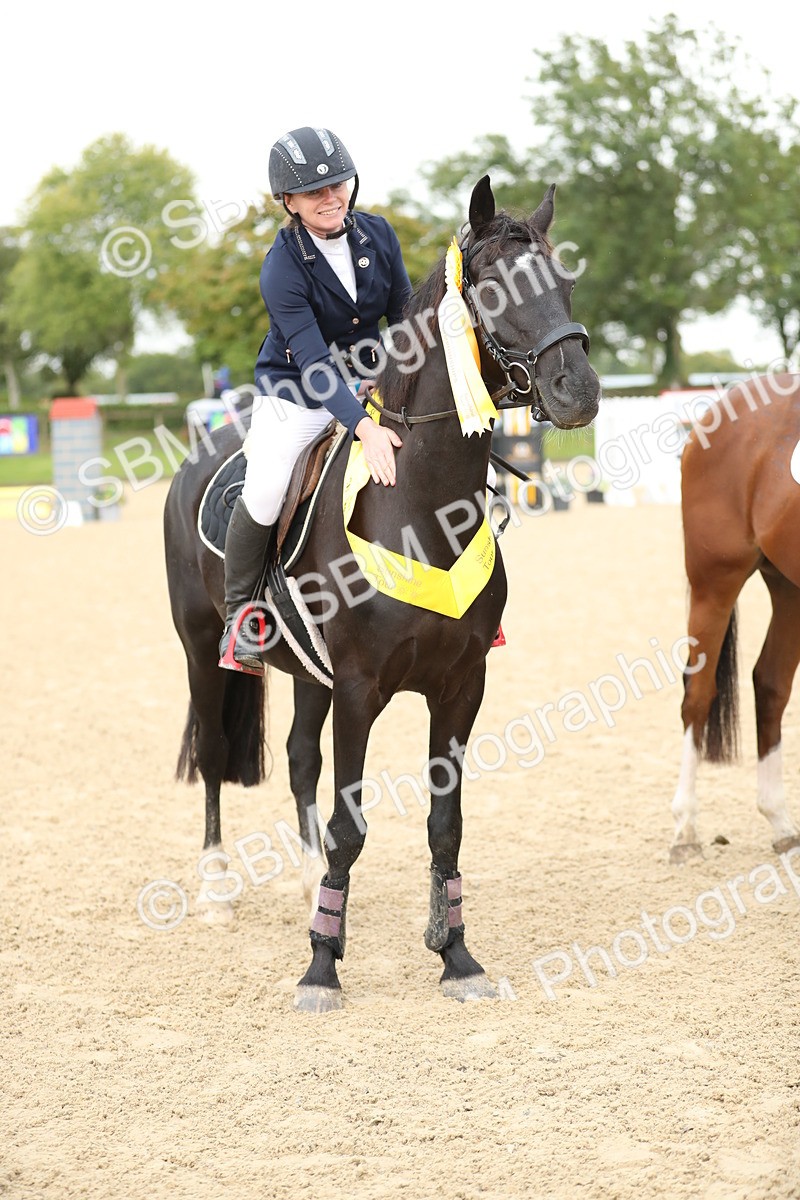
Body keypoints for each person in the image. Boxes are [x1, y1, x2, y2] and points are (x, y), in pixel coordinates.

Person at [219, 126, 413, 674]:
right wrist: (364, 428)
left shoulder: (378, 234)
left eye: (337, 185)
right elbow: (312, 360)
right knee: (267, 482)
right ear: (289, 201)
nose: (331, 198)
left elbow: (402, 314)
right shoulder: (281, 267)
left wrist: (396, 372)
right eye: (314, 192)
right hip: (298, 393)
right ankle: (242, 621)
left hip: (373, 381)